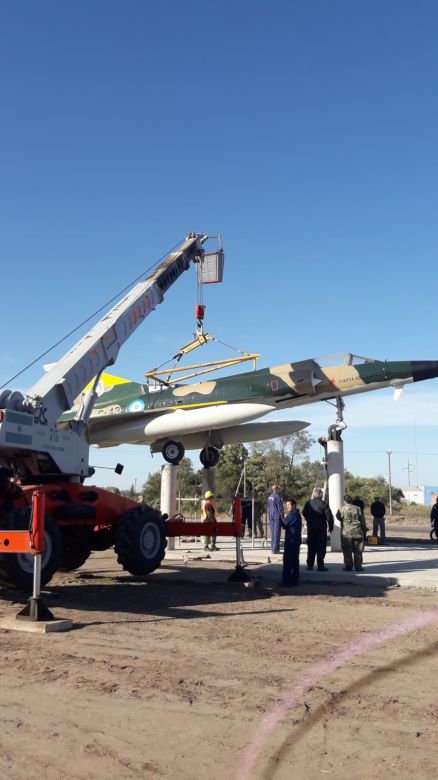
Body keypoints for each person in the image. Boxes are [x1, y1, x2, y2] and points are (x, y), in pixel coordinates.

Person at [302, 487, 334, 571]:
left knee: (311, 546)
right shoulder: (324, 504)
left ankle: (310, 565)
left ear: (314, 494)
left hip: (311, 527)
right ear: (321, 495)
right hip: (321, 528)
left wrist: (309, 519)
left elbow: (304, 513)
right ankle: (320, 566)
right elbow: (329, 517)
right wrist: (331, 527)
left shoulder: (308, 503)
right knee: (321, 547)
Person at [337, 494, 368, 571]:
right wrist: (364, 529)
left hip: (346, 533)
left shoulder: (341, 509)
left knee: (347, 550)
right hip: (357, 532)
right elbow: (362, 520)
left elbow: (338, 517)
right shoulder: (358, 509)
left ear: (344, 501)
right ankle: (358, 566)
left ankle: (348, 566)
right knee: (358, 550)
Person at [281, 499, 302, 587]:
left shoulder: (292, 514)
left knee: (288, 561)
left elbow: (284, 524)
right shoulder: (296, 513)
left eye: (289, 505)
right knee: (294, 561)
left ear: (293, 505)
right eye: (286, 505)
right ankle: (294, 580)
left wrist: (281, 518)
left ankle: (286, 581)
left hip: (291, 540)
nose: (287, 507)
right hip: (295, 540)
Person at [267, 484, 283, 554]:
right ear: (276, 489)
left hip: (271, 515)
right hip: (276, 515)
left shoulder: (270, 496)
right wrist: (282, 515)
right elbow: (280, 507)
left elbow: (268, 506)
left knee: (272, 532)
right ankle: (275, 549)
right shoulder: (277, 497)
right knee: (277, 532)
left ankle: (272, 547)